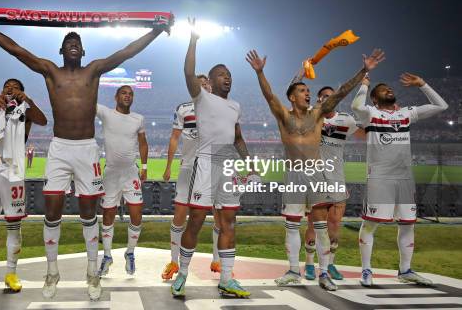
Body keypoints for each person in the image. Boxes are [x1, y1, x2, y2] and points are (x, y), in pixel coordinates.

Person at [0, 23, 168, 301]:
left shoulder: (94, 69)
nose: (73, 44)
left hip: (87, 149)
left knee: (89, 213)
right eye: (69, 42)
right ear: (62, 50)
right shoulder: (50, 70)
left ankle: (92, 274)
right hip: (60, 147)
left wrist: (156, 31)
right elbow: (15, 50)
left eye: (77, 41)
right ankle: (52, 272)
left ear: (83, 50)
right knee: (52, 211)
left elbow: (126, 52)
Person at [246, 48, 385, 291]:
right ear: (291, 97)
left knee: (320, 227)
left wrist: (364, 70)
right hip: (293, 176)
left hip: (316, 174)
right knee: (291, 224)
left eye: (309, 91)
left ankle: (323, 273)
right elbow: (269, 96)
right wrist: (260, 73)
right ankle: (292, 270)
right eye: (303, 90)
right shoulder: (283, 115)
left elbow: (341, 92)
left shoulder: (318, 114)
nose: (308, 94)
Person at [171, 19, 250, 298]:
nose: (227, 77)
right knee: (196, 220)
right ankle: (181, 275)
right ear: (212, 81)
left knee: (229, 222)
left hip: (227, 164)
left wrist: (248, 163)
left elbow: (238, 138)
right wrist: (193, 40)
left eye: (229, 74)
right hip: (205, 162)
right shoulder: (202, 98)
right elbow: (188, 70)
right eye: (221, 74)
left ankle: (227, 278)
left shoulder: (235, 106)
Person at [352, 73, 447, 287]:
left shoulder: (406, 114)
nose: (389, 89)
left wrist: (423, 84)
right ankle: (366, 270)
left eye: (390, 88)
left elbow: (441, 105)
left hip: (404, 178)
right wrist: (365, 85)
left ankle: (405, 270)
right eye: (383, 89)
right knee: (370, 224)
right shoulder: (371, 114)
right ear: (375, 99)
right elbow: (357, 106)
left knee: (407, 226)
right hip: (380, 178)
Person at [0, 79, 47, 292]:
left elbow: (43, 120)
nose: (10, 88)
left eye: (15, 86)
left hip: (13, 172)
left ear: (21, 91)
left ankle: (11, 274)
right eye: (6, 85)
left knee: (13, 224)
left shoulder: (26, 110)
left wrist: (28, 100)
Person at [161, 75, 226, 280]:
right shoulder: (183, 109)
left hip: (213, 168)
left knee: (219, 216)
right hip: (188, 168)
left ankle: (217, 260)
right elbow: (174, 138)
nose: (205, 85)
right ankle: (173, 261)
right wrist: (169, 166)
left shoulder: (220, 108)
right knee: (180, 215)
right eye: (200, 83)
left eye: (207, 82)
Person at [303, 86, 361, 281]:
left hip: (337, 178)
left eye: (332, 96)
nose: (329, 99)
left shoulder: (347, 120)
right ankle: (310, 264)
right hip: (315, 178)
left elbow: (364, 133)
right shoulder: (310, 115)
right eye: (324, 97)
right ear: (319, 99)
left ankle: (331, 264)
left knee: (335, 223)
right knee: (313, 223)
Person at [96, 85, 148, 276]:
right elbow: (88, 101)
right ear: (116, 96)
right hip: (111, 173)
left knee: (136, 214)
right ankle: (107, 255)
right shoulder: (106, 113)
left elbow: (143, 143)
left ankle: (130, 252)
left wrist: (144, 167)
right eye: (124, 93)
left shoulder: (138, 119)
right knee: (108, 214)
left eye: (130, 94)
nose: (128, 96)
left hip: (130, 173)